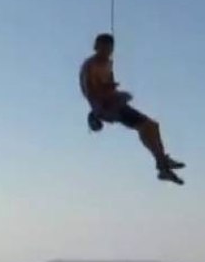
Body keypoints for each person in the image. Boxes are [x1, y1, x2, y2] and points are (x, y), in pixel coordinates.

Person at [79, 33, 184, 184]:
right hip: (106, 107)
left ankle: (162, 164)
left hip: (115, 103)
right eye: (104, 48)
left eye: (110, 49)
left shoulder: (108, 63)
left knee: (152, 126)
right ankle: (162, 165)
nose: (107, 52)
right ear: (96, 47)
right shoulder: (89, 65)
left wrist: (115, 91)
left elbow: (109, 84)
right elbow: (89, 92)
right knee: (146, 126)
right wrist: (103, 101)